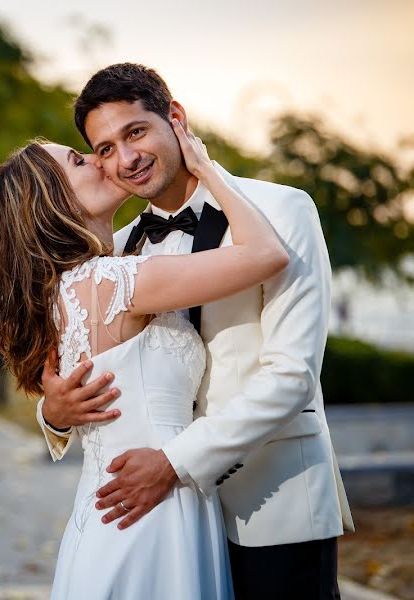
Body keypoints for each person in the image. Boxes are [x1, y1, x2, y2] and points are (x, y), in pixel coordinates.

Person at [38, 63, 354, 599]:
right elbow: (85, 364)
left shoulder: (280, 210)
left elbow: (292, 375)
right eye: (106, 148)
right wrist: (54, 415)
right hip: (164, 518)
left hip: (272, 501)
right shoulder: (116, 249)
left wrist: (174, 463)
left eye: (135, 132)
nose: (127, 159)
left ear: (175, 118)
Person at [0, 115, 289, 597]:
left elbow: (79, 390)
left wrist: (52, 413)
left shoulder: (74, 284)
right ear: (53, 201)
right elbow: (266, 254)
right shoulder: (111, 283)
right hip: (153, 509)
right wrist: (206, 167)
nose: (107, 162)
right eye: (82, 160)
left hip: (114, 507)